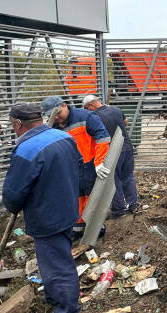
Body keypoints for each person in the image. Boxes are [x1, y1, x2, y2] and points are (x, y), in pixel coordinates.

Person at [2, 103, 82, 313]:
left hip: (47, 217)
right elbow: (79, 165)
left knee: (58, 267)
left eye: (12, 124)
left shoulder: (26, 149)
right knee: (59, 259)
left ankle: (66, 308)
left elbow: (12, 194)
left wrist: (13, 205)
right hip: (68, 208)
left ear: (18, 123)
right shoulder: (63, 136)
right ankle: (55, 297)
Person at [41, 96, 110, 240]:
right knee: (75, 196)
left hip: (88, 164)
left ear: (65, 105)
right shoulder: (52, 125)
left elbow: (103, 138)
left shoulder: (86, 117)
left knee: (91, 194)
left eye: (58, 113)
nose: (57, 118)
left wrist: (99, 162)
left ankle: (97, 226)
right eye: (53, 115)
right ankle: (78, 226)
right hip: (69, 167)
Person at [83, 95, 139, 218]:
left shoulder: (93, 117)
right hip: (127, 147)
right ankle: (133, 205)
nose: (87, 111)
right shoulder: (116, 109)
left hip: (112, 152)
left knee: (114, 181)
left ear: (91, 105)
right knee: (128, 177)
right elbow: (125, 122)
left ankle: (119, 211)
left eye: (86, 108)